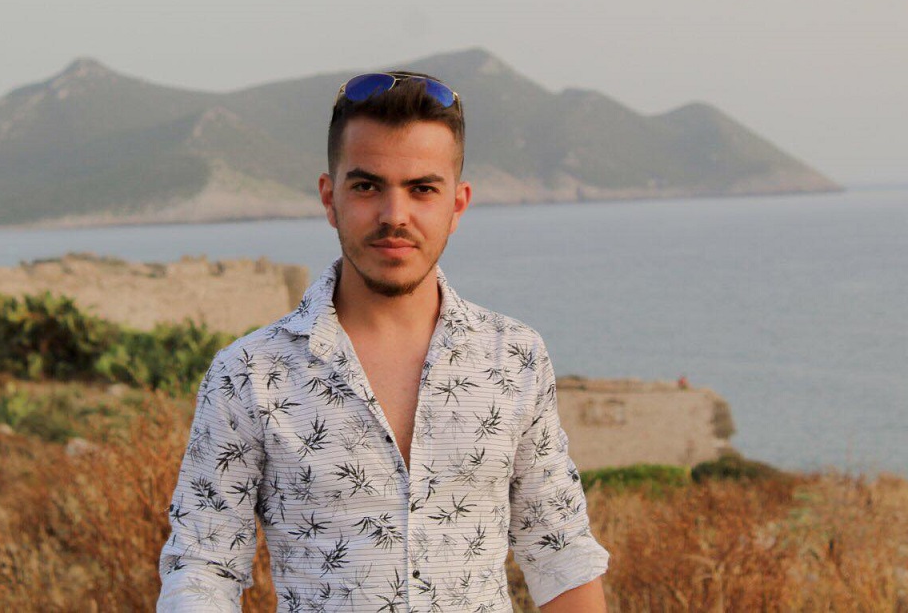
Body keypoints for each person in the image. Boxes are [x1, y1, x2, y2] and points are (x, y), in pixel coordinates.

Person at [158, 70, 609, 612]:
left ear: (457, 205)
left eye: (422, 189)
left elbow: (559, 554)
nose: (395, 216)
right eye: (367, 186)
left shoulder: (513, 358)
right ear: (330, 198)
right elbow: (202, 568)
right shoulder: (247, 375)